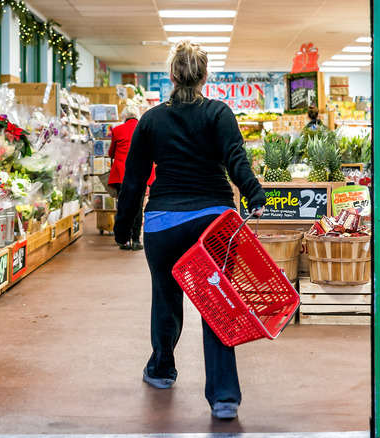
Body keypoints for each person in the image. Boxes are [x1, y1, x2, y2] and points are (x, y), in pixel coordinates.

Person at [113, 40, 266, 421]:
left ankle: (162, 370)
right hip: (213, 224)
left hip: (164, 223)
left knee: (166, 299)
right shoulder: (219, 113)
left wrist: (123, 229)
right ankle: (224, 396)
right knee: (217, 305)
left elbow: (133, 181)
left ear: (171, 75)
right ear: (205, 76)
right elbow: (236, 160)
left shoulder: (150, 119)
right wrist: (255, 195)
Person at [107, 106, 154, 250]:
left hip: (122, 173)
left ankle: (124, 240)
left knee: (124, 205)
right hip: (140, 172)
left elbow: (111, 153)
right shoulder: (144, 128)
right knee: (138, 206)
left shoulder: (117, 130)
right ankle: (136, 240)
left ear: (124, 116)